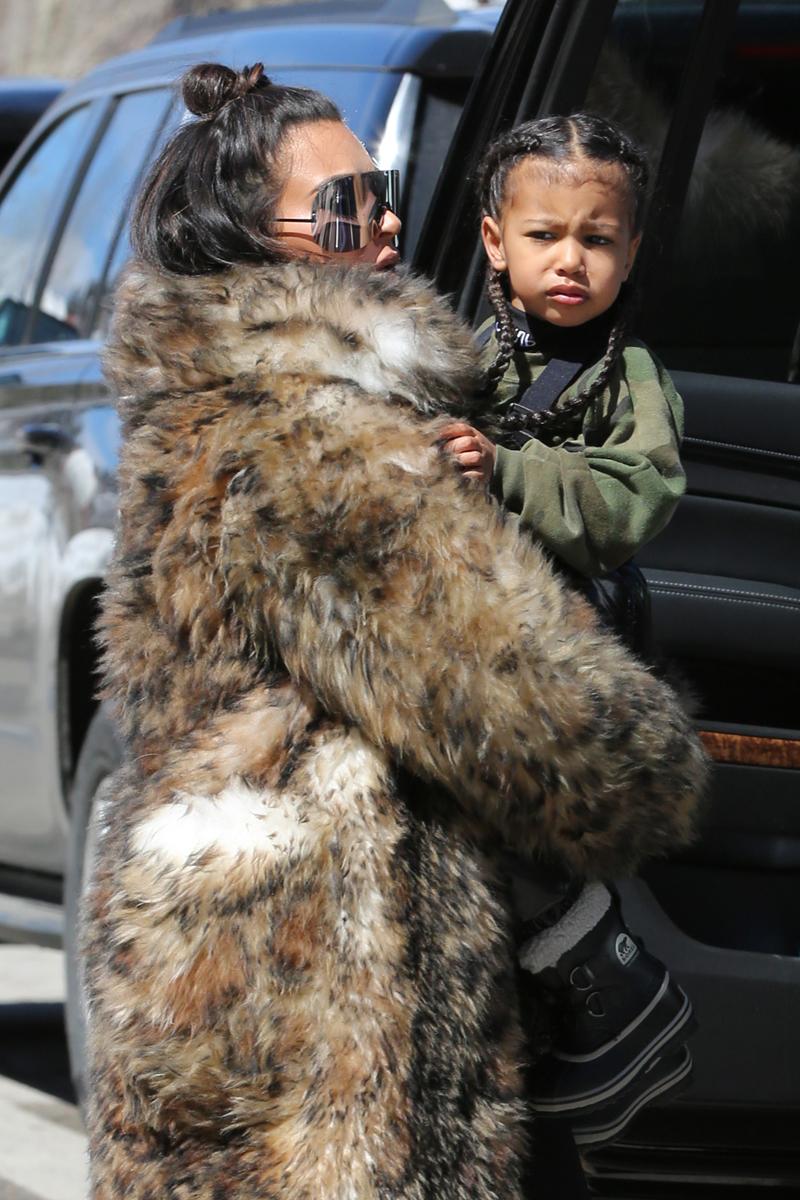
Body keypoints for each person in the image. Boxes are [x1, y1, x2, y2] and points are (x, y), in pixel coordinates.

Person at [83, 65, 707, 1200]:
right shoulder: (323, 439)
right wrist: (651, 751)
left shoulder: (196, 404)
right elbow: (531, 713)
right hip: (337, 981)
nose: (376, 223)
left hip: (219, 942)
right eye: (339, 207)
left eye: (378, 192)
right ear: (255, 243)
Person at [439, 113, 695, 1148]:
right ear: (494, 239)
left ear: (630, 253)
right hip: (456, 638)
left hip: (559, 652)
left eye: (596, 240)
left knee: (530, 836)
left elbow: (636, 498)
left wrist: (504, 470)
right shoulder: (458, 351)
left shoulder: (628, 378)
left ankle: (594, 963)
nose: (569, 261)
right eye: (545, 235)